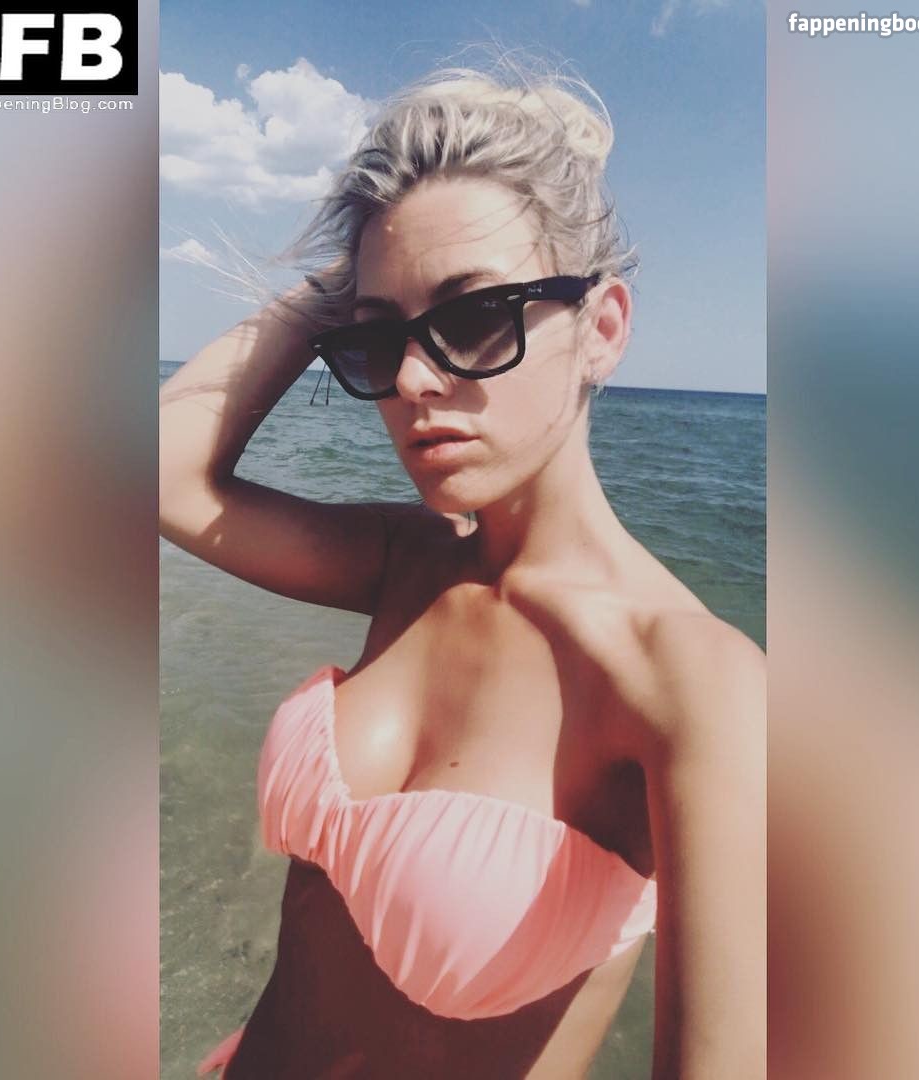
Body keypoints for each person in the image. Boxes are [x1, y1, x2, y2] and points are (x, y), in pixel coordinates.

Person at [160, 60, 764, 1080]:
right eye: (377, 338)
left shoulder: (688, 684)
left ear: (603, 329)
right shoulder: (410, 563)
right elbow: (162, 475)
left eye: (476, 316)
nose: (408, 378)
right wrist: (338, 290)